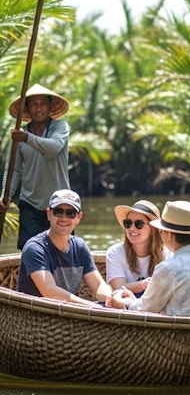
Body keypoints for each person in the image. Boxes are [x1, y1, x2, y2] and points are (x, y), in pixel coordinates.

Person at [107, 200, 190, 316]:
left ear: (169, 234)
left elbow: (142, 310)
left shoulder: (168, 268)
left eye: (161, 230)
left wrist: (122, 302)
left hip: (181, 337)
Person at [0, 83, 71, 249]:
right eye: (33, 104)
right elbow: (13, 169)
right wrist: (6, 196)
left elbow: (53, 148)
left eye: (43, 104)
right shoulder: (19, 135)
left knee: (61, 249)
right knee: (31, 249)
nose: (38, 108)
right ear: (27, 109)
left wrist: (27, 138)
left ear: (49, 107)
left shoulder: (60, 127)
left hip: (59, 203)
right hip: (30, 203)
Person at [16, 189, 113, 307]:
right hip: (37, 319)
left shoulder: (80, 246)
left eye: (70, 213)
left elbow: (98, 286)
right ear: (48, 214)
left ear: (78, 217)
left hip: (69, 316)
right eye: (58, 212)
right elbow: (49, 292)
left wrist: (110, 298)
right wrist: (93, 307)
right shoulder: (35, 248)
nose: (64, 218)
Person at [106, 199, 170, 296]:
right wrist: (142, 285)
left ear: (153, 229)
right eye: (128, 223)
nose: (131, 228)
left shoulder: (167, 253)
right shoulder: (115, 252)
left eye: (138, 224)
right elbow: (118, 289)